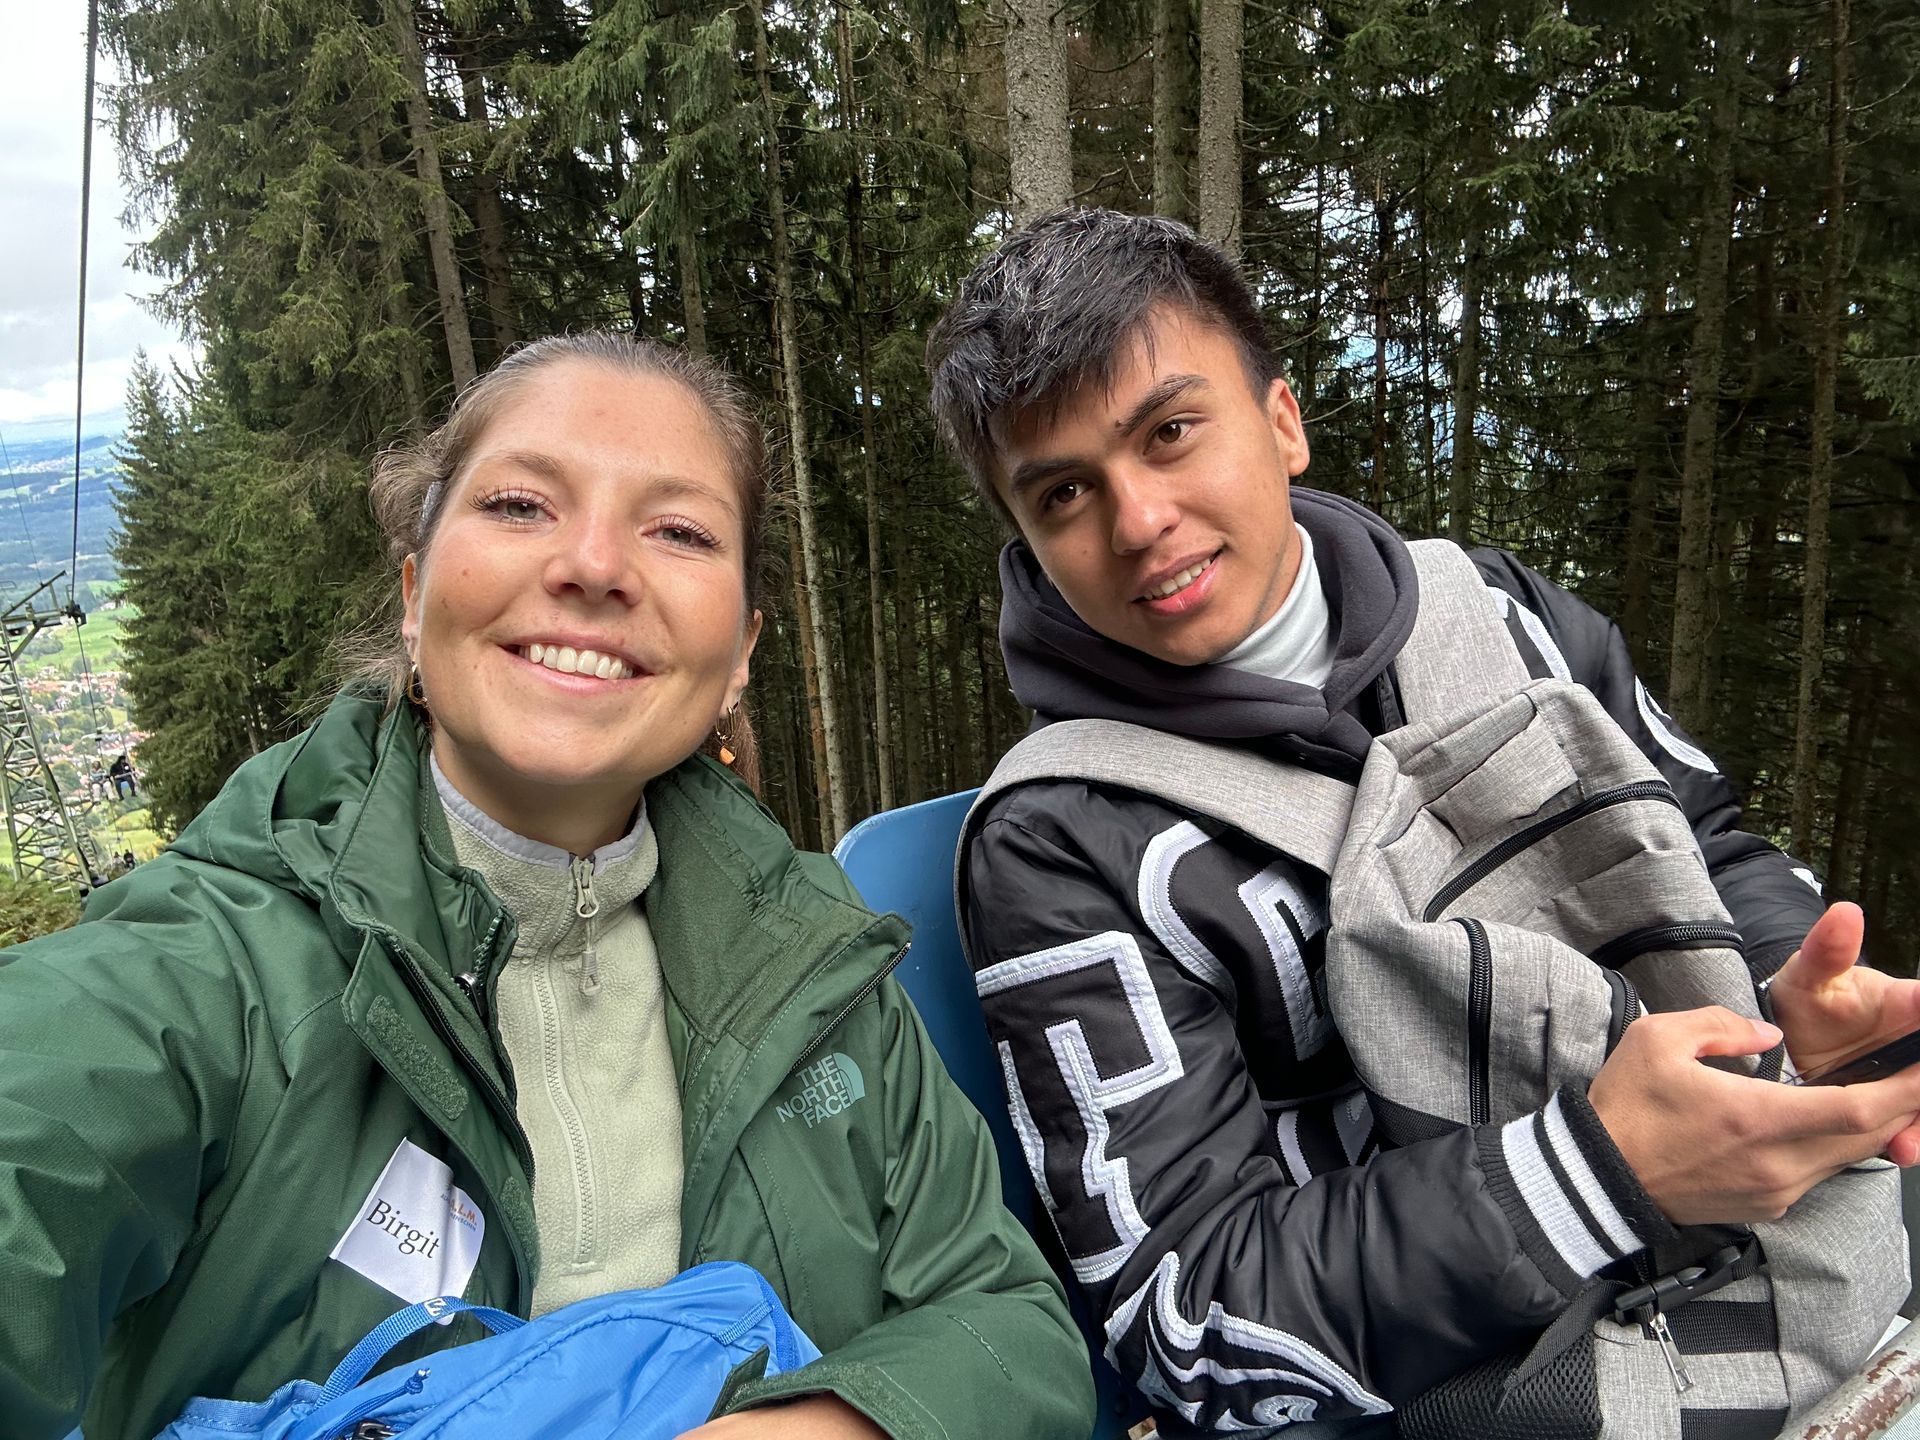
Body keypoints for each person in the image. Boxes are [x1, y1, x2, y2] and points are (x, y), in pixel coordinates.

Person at [926, 209, 1920, 1432]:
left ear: (1281, 420)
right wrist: (1593, 1174)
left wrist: (1791, 994)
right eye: (1066, 493)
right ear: (1026, 537)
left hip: (1748, 1235)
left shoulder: (1497, 614)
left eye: (1172, 432)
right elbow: (1183, 1312)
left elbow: (1699, 841)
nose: (1138, 522)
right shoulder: (1067, 837)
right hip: (1452, 1386)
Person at [0, 333, 1092, 1440]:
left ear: (743, 651)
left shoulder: (825, 970)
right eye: (522, 505)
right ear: (417, 589)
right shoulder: (208, 968)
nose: (594, 564)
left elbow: (1011, 1327)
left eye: (676, 530)